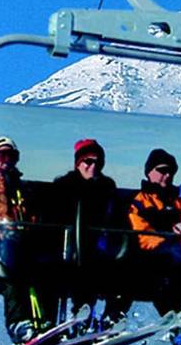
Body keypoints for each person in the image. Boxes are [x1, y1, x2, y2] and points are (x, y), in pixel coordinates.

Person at [0, 136, 51, 344]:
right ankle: (19, 323)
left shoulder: (23, 188)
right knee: (13, 266)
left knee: (46, 264)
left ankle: (46, 321)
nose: (6, 160)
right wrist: (0, 230)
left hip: (25, 240)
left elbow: (34, 213)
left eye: (11, 156)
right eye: (1, 155)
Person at [51, 138, 129, 327]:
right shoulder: (64, 187)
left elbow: (117, 219)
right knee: (83, 270)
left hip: (101, 248)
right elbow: (53, 217)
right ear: (78, 163)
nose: (93, 166)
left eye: (97, 162)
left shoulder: (107, 188)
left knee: (127, 271)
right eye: (88, 161)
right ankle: (81, 316)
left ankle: (112, 315)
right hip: (71, 249)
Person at [127, 148, 181, 316]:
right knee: (161, 275)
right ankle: (174, 317)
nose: (167, 175)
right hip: (157, 257)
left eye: (171, 171)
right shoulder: (141, 201)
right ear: (149, 172)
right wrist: (168, 242)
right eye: (162, 170)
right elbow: (143, 235)